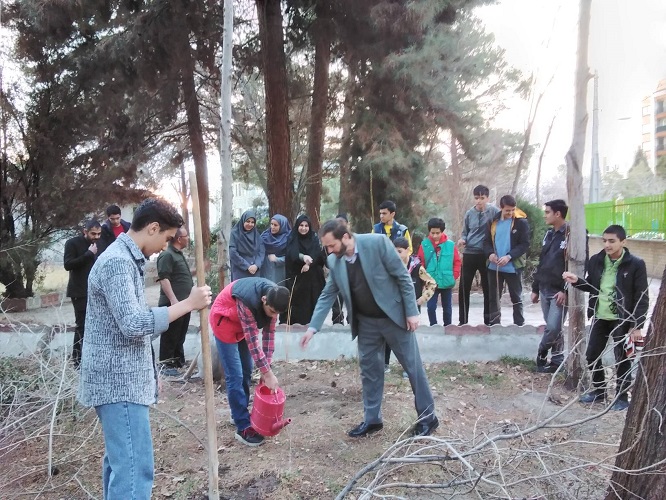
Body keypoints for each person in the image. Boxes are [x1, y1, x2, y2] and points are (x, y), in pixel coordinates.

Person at [78, 198, 212, 500]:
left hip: (123, 380)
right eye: (165, 238)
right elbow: (134, 323)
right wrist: (188, 304)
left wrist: (148, 374)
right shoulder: (117, 263)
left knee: (121, 464)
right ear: (153, 228)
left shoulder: (125, 260)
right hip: (118, 385)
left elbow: (125, 328)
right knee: (134, 469)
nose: (165, 246)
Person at [300, 219, 439, 438]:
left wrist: (412, 312)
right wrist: (312, 328)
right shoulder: (335, 261)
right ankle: (372, 420)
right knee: (370, 372)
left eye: (331, 245)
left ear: (345, 237)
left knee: (413, 367)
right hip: (365, 323)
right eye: (326, 247)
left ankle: (428, 418)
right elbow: (328, 293)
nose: (328, 251)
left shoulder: (378, 243)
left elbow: (403, 277)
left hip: (394, 318)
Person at [563, 225, 649, 411]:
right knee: (592, 354)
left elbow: (642, 297)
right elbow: (593, 286)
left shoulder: (635, 264)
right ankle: (599, 391)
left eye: (612, 241)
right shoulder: (596, 260)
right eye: (605, 240)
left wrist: (636, 325)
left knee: (623, 358)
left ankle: (621, 397)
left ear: (623, 242)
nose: (607, 245)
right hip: (600, 317)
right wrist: (577, 281)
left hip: (623, 319)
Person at [210, 278, 290, 446]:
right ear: (263, 300)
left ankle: (239, 412)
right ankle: (243, 426)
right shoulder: (247, 300)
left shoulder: (274, 298)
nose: (274, 316)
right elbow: (253, 342)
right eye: (272, 312)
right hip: (224, 322)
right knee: (235, 376)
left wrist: (265, 369)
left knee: (247, 369)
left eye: (277, 314)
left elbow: (269, 337)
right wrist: (267, 373)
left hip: (241, 327)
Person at [386, 237, 436, 375]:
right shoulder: (390, 266)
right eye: (394, 252)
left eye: (400, 251)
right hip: (393, 307)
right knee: (388, 335)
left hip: (411, 310)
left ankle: (409, 368)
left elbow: (432, 283)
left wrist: (421, 299)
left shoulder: (417, 268)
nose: (397, 255)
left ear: (408, 250)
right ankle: (385, 364)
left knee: (407, 339)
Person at [531, 200, 571, 373]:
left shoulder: (572, 234)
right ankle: (557, 362)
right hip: (544, 287)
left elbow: (577, 265)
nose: (545, 215)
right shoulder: (549, 234)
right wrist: (535, 288)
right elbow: (542, 262)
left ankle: (541, 351)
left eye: (547, 212)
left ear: (558, 214)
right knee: (554, 329)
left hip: (559, 291)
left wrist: (566, 290)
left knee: (553, 327)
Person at [484, 195, 530, 326]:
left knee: (516, 297)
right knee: (494, 298)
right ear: (501, 208)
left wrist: (509, 256)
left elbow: (524, 244)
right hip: (494, 267)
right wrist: (490, 254)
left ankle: (519, 324)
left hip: (513, 266)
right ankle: (495, 324)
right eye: (507, 210)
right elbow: (486, 242)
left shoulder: (521, 222)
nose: (510, 213)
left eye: (512, 210)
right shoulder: (492, 221)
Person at [457, 185, 500, 325]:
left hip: (486, 254)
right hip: (470, 253)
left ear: (488, 198)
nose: (479, 201)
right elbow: (465, 232)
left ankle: (489, 321)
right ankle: (463, 321)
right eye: (476, 198)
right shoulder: (469, 213)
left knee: (488, 288)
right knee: (464, 288)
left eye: (482, 198)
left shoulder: (494, 212)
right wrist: (463, 239)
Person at [63, 219, 102, 368]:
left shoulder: (100, 243)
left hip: (96, 290)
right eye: (93, 233)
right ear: (85, 231)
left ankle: (92, 357)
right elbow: (68, 264)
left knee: (96, 325)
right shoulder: (72, 243)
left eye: (99, 234)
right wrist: (88, 254)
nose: (96, 237)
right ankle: (78, 360)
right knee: (82, 325)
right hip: (79, 291)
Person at [156, 226, 194, 373]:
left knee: (180, 334)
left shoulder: (178, 254)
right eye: (186, 236)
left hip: (184, 303)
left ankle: (177, 361)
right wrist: (173, 300)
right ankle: (166, 365)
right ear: (179, 239)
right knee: (171, 335)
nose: (188, 238)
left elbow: (178, 275)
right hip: (173, 303)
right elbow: (164, 278)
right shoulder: (167, 255)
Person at [417, 217, 461, 326]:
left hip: (446, 281)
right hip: (430, 282)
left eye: (438, 233)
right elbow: (420, 263)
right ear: (429, 231)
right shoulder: (424, 245)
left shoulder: (450, 245)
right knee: (431, 307)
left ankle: (448, 326)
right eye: (432, 233)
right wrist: (424, 279)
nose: (435, 235)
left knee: (447, 308)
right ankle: (434, 325)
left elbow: (457, 262)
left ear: (442, 231)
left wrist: (453, 276)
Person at [284, 214, 327, 325]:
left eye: (306, 225)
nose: (303, 228)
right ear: (297, 226)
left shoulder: (314, 237)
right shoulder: (292, 237)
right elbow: (291, 254)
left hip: (313, 281)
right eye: (301, 225)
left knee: (314, 305)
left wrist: (309, 265)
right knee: (298, 309)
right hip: (297, 278)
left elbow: (317, 254)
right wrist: (303, 258)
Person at [229, 210, 265, 281]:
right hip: (240, 270)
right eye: (248, 221)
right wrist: (247, 266)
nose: (250, 224)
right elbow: (233, 252)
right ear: (243, 221)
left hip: (255, 271)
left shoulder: (256, 235)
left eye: (252, 222)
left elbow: (261, 251)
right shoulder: (235, 233)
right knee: (240, 290)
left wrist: (256, 265)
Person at [260, 214, 291, 285]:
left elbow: (292, 256)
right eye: (271, 224)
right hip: (265, 269)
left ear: (282, 226)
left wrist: (277, 259)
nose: (272, 227)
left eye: (275, 225)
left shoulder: (289, 238)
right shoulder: (264, 236)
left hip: (280, 272)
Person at [331, 213, 349, 325]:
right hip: (337, 274)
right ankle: (337, 320)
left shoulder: (353, 239)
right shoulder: (331, 239)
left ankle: (352, 321)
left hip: (351, 276)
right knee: (336, 300)